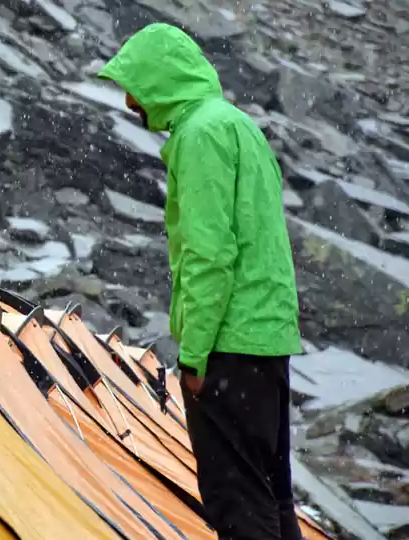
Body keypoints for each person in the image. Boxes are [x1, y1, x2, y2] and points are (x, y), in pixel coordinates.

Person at [97, 23, 305, 540]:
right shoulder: (238, 125)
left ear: (159, 81)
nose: (128, 101)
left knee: (238, 502)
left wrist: (194, 356)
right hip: (265, 340)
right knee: (272, 495)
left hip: (229, 346)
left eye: (134, 86)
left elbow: (210, 255)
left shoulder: (199, 136)